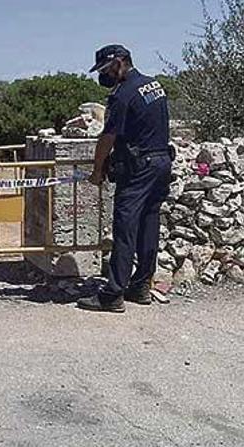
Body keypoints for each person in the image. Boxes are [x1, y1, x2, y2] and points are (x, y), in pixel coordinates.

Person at [78, 44, 172, 313]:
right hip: (161, 163)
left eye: (106, 69)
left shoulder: (123, 94)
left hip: (139, 168)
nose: (104, 75)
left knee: (125, 228)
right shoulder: (154, 85)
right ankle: (141, 285)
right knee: (148, 224)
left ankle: (113, 294)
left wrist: (97, 171)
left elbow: (107, 137)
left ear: (119, 62)